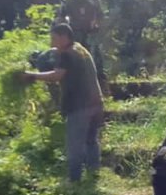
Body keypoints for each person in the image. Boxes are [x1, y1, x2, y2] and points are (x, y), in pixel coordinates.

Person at [17, 23, 105, 183]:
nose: (51, 43)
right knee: (91, 140)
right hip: (96, 103)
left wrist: (31, 76)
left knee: (75, 144)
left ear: (64, 37)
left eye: (54, 38)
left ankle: (74, 180)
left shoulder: (66, 54)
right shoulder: (80, 49)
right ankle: (94, 174)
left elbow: (57, 76)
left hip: (79, 106)